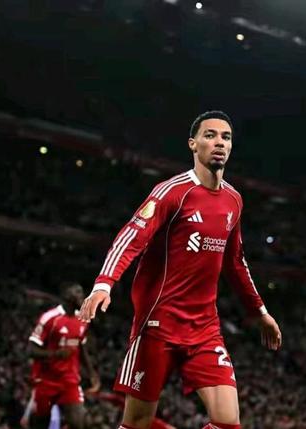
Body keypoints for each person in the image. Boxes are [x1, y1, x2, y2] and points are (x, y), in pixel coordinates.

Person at [78, 110, 282, 429]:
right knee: (137, 422)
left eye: (226, 137)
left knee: (228, 422)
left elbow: (235, 262)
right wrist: (104, 284)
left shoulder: (233, 200)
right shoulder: (172, 192)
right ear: (193, 144)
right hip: (158, 324)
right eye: (210, 135)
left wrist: (259, 311)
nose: (219, 142)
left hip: (204, 327)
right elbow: (132, 236)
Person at [28, 282, 100, 429]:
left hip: (69, 381)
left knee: (79, 423)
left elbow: (81, 348)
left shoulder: (82, 320)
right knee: (40, 423)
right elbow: (31, 350)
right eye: (78, 292)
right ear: (67, 295)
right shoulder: (50, 318)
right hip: (46, 380)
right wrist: (55, 354)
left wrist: (92, 373)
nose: (82, 296)